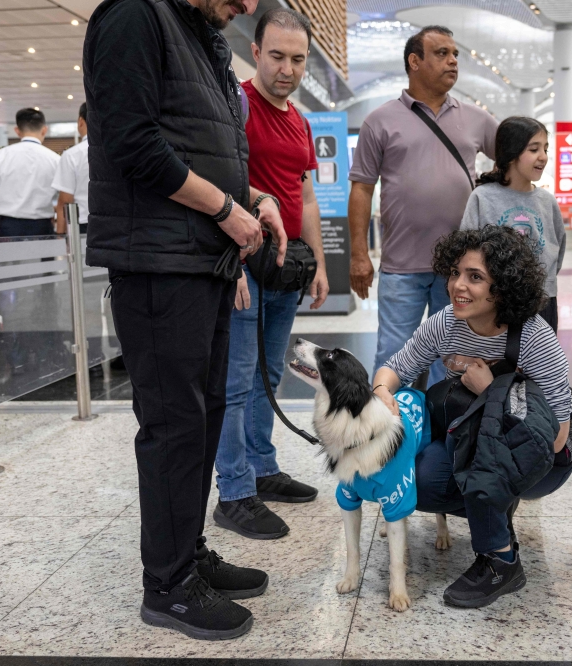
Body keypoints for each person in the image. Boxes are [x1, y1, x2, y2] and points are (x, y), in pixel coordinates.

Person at [84, 0, 289, 641]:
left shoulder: (202, 35)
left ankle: (186, 553)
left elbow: (206, 148)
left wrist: (255, 199)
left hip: (201, 259)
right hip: (157, 261)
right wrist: (228, 209)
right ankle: (167, 586)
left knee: (203, 419)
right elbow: (133, 142)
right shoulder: (133, 16)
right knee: (174, 425)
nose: (247, 7)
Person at [372, 225, 572, 609]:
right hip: (470, 442)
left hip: (541, 460)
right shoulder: (446, 323)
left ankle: (501, 561)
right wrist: (383, 391)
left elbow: (556, 438)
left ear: (503, 288)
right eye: (455, 273)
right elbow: (394, 368)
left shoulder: (534, 336)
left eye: (475, 277)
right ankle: (493, 508)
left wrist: (490, 391)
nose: (457, 286)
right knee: (420, 486)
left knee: (481, 439)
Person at [211, 7, 329, 540]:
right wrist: (230, 262)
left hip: (285, 266)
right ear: (255, 51)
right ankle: (233, 491)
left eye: (298, 59)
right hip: (243, 261)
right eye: (277, 56)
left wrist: (319, 264)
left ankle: (262, 468)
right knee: (236, 380)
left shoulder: (300, 121)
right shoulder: (236, 104)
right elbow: (219, 180)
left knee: (268, 375)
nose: (288, 68)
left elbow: (304, 195)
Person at [349, 25, 498, 387]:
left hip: (461, 270)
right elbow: (362, 189)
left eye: (455, 54)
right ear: (414, 61)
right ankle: (387, 440)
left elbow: (514, 157)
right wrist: (357, 255)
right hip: (402, 267)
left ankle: (441, 439)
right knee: (393, 356)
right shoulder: (380, 121)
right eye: (442, 53)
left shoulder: (476, 118)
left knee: (450, 362)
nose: (453, 61)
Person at [459, 116, 566, 332]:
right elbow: (466, 251)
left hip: (541, 300)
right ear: (510, 153)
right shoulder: (482, 197)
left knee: (540, 364)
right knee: (496, 364)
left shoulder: (547, 201)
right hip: (494, 301)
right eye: (534, 149)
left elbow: (559, 249)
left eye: (545, 149)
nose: (543, 157)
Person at [0, 108, 60, 237]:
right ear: (44, 130)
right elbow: (64, 196)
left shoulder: (1, 155)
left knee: (10, 258)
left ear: (17, 130)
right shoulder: (55, 159)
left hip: (9, 227)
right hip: (42, 227)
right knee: (46, 257)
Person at [52, 102, 90, 234]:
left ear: (81, 121)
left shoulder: (72, 155)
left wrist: (60, 234)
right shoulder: (120, 150)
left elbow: (65, 200)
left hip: (85, 224)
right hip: (121, 223)